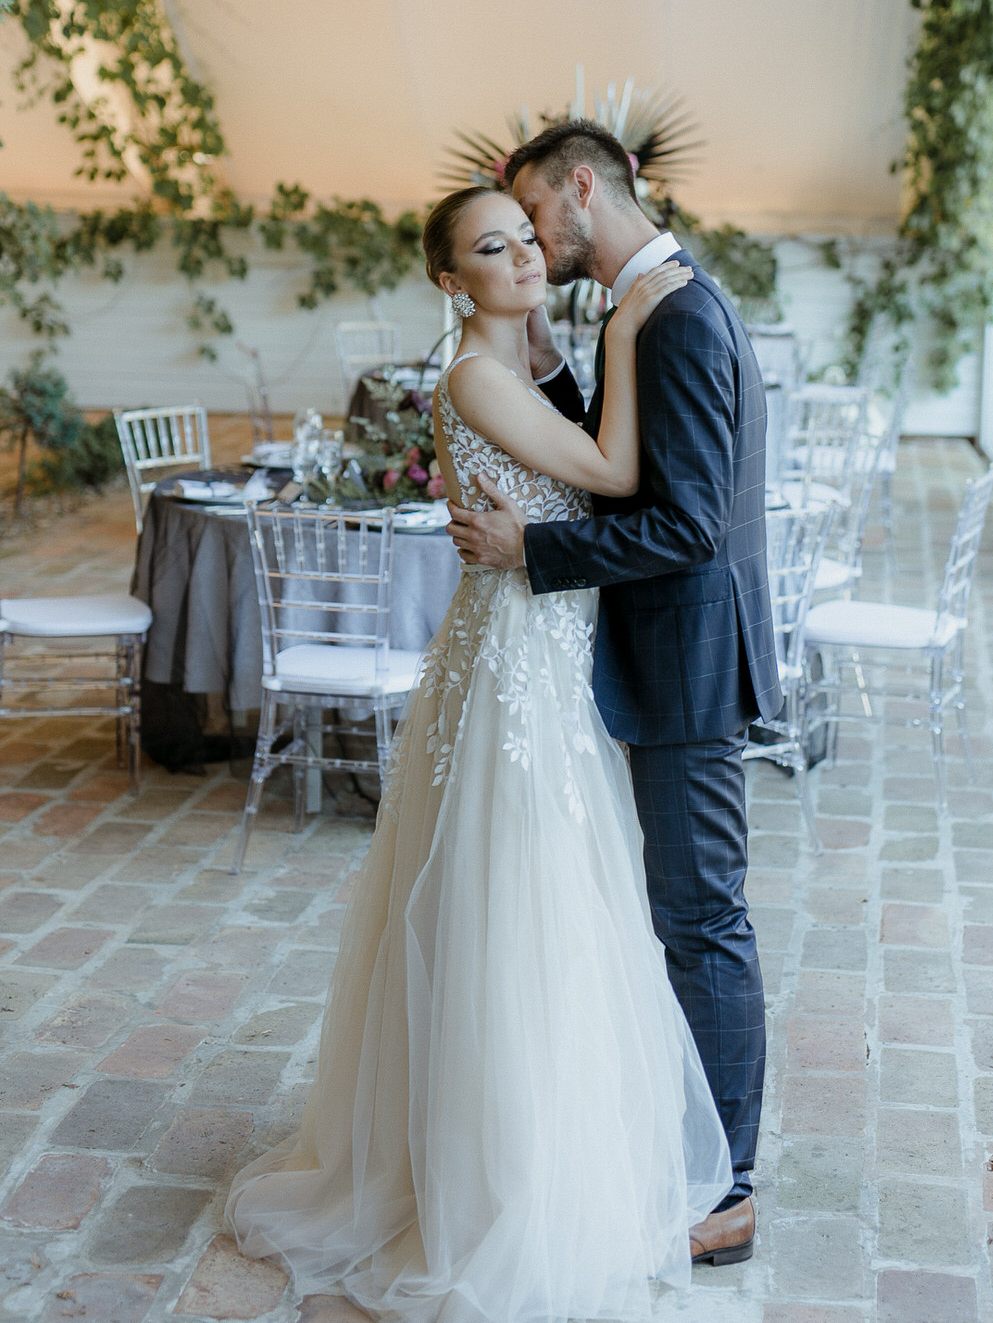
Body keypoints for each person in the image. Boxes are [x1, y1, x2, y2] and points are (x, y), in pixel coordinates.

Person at [226, 185, 733, 1322]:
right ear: (453, 281)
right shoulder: (473, 378)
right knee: (520, 895)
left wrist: (587, 347)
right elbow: (613, 474)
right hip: (515, 660)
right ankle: (496, 1180)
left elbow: (570, 480)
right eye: (493, 249)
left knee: (551, 898)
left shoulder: (530, 361)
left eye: (526, 239)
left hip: (544, 648)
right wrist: (633, 326)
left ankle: (545, 1155)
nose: (524, 258)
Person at [448, 121, 783, 1269]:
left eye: (536, 216)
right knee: (683, 917)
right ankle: (681, 1156)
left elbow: (685, 524)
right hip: (668, 656)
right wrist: (550, 364)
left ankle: (727, 1193)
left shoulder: (677, 314)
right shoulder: (645, 305)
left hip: (688, 666)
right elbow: (606, 458)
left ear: (581, 187)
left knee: (701, 920)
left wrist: (530, 553)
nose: (533, 242)